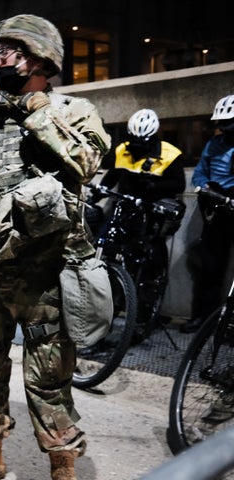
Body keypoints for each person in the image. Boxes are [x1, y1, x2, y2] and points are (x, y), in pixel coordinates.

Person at [0, 14, 111, 480]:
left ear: (35, 58)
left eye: (4, 53)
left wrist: (35, 111)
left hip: (46, 272)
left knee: (48, 377)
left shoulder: (71, 109)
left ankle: (62, 467)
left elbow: (87, 161)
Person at [96, 109, 186, 332]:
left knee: (151, 259)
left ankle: (144, 316)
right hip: (124, 207)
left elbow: (178, 185)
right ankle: (109, 307)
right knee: (105, 246)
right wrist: (96, 194)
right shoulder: (121, 149)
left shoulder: (169, 153)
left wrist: (152, 185)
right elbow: (112, 177)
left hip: (151, 211)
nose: (136, 145)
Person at [185, 94, 234, 333]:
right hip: (217, 209)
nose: (223, 127)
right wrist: (204, 185)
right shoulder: (213, 144)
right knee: (209, 267)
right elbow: (200, 172)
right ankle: (204, 320)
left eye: (228, 122)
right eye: (221, 123)